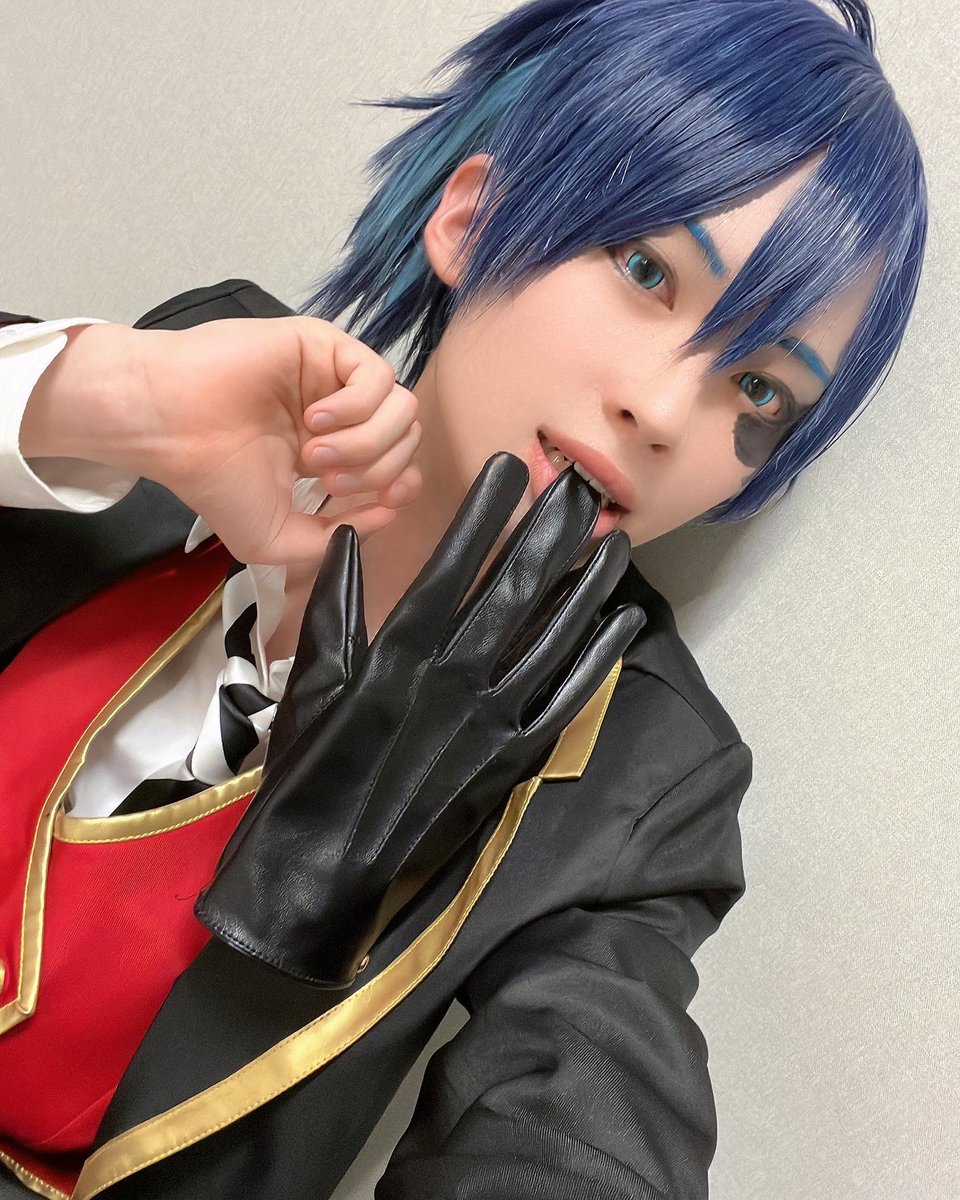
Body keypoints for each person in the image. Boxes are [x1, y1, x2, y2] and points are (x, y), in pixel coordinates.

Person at [0, 0, 927, 1196]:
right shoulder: (201, 370)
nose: (660, 411)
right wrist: (91, 398)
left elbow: (579, 1130)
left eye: (759, 390)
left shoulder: (642, 779)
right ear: (471, 216)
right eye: (647, 269)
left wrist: (301, 923)